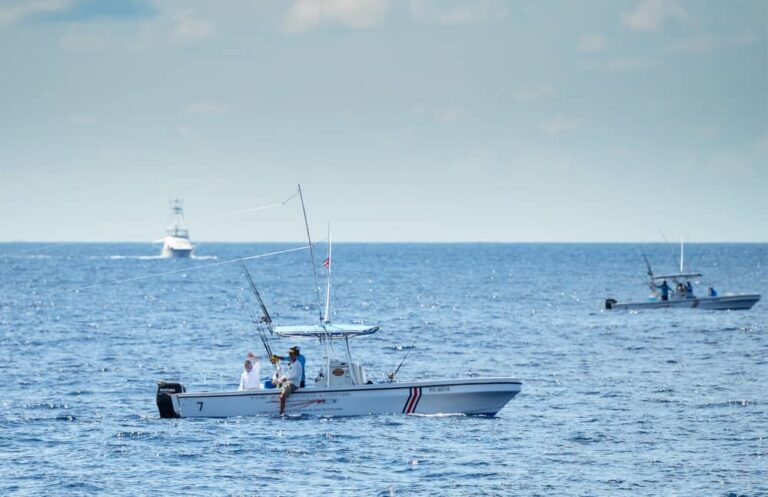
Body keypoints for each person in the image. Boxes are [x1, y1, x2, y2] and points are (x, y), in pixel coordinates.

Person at [274, 348, 303, 415]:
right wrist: (278, 380)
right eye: (290, 354)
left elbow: (295, 376)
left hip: (294, 384)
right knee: (278, 388)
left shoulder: (298, 364)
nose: (290, 356)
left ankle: (281, 413)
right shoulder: (291, 364)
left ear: (295, 355)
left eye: (292, 354)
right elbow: (287, 375)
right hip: (289, 382)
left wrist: (285, 379)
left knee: (282, 397)